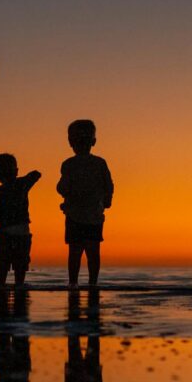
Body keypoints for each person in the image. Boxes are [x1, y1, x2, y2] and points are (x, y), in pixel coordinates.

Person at [56, 120, 114, 288]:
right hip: (85, 215)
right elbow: (108, 185)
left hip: (86, 214)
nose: (81, 144)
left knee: (80, 251)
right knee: (89, 251)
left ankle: (79, 283)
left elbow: (63, 187)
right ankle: (86, 283)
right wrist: (107, 200)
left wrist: (107, 199)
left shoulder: (72, 164)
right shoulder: (75, 164)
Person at [0, 154, 41, 287]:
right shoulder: (22, 184)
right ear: (16, 171)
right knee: (20, 264)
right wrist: (27, 177)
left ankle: (0, 286)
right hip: (22, 232)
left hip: (6, 233)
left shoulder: (0, 191)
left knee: (2, 264)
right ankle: (19, 285)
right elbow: (36, 175)